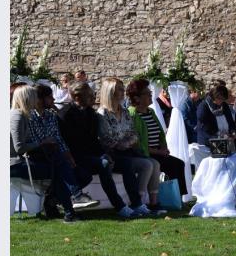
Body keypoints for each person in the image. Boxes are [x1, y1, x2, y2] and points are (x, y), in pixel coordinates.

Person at [58, 82, 140, 218]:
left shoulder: (90, 113)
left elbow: (94, 141)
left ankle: (136, 203)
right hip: (72, 157)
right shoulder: (65, 115)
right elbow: (66, 143)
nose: (93, 97)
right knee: (103, 165)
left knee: (122, 163)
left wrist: (103, 154)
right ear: (77, 97)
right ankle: (119, 206)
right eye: (90, 95)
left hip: (89, 156)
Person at [10, 86, 80, 223]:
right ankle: (72, 202)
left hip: (22, 161)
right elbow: (19, 148)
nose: (36, 100)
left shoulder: (22, 115)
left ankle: (67, 209)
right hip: (15, 164)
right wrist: (42, 142)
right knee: (58, 168)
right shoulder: (17, 116)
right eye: (34, 97)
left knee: (57, 165)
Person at [97, 77, 164, 216]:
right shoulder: (103, 114)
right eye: (119, 89)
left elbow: (133, 134)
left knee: (151, 163)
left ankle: (144, 202)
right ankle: (137, 202)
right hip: (112, 155)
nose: (123, 92)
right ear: (111, 92)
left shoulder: (125, 112)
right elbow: (107, 139)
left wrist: (125, 142)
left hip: (127, 151)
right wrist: (124, 142)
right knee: (134, 164)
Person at [31, 85, 99, 211]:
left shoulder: (51, 115)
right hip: (39, 155)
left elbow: (58, 139)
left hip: (57, 154)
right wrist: (51, 144)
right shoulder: (31, 117)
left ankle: (53, 199)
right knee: (63, 167)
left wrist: (69, 156)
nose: (53, 99)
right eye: (49, 97)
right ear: (40, 99)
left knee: (84, 175)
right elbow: (39, 140)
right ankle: (76, 196)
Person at [127, 79, 189, 198]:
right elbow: (138, 143)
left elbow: (160, 132)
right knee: (170, 164)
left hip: (157, 152)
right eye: (147, 93)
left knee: (178, 164)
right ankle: (160, 199)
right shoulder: (132, 114)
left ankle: (177, 197)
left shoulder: (150, 112)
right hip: (144, 154)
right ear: (137, 98)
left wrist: (164, 148)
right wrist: (158, 151)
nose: (150, 94)